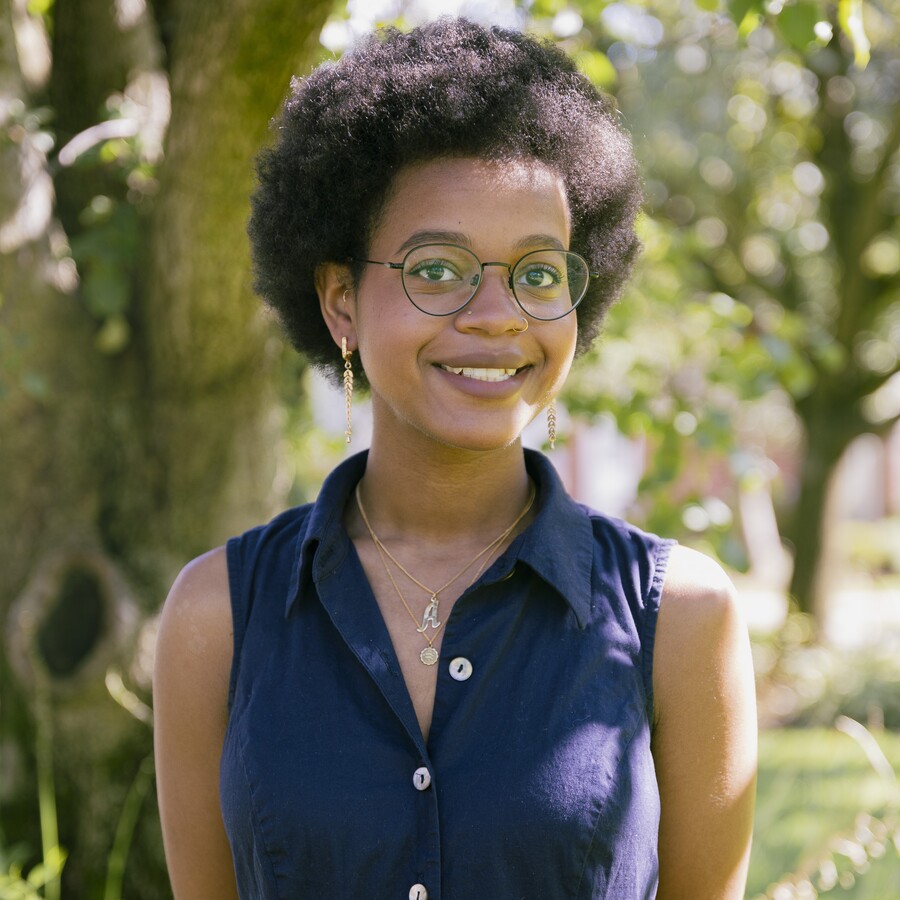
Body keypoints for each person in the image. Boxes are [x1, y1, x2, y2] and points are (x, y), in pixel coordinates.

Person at [153, 17, 757, 899]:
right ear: (340, 304)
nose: (497, 314)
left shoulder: (681, 618)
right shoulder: (219, 616)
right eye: (438, 269)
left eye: (538, 273)